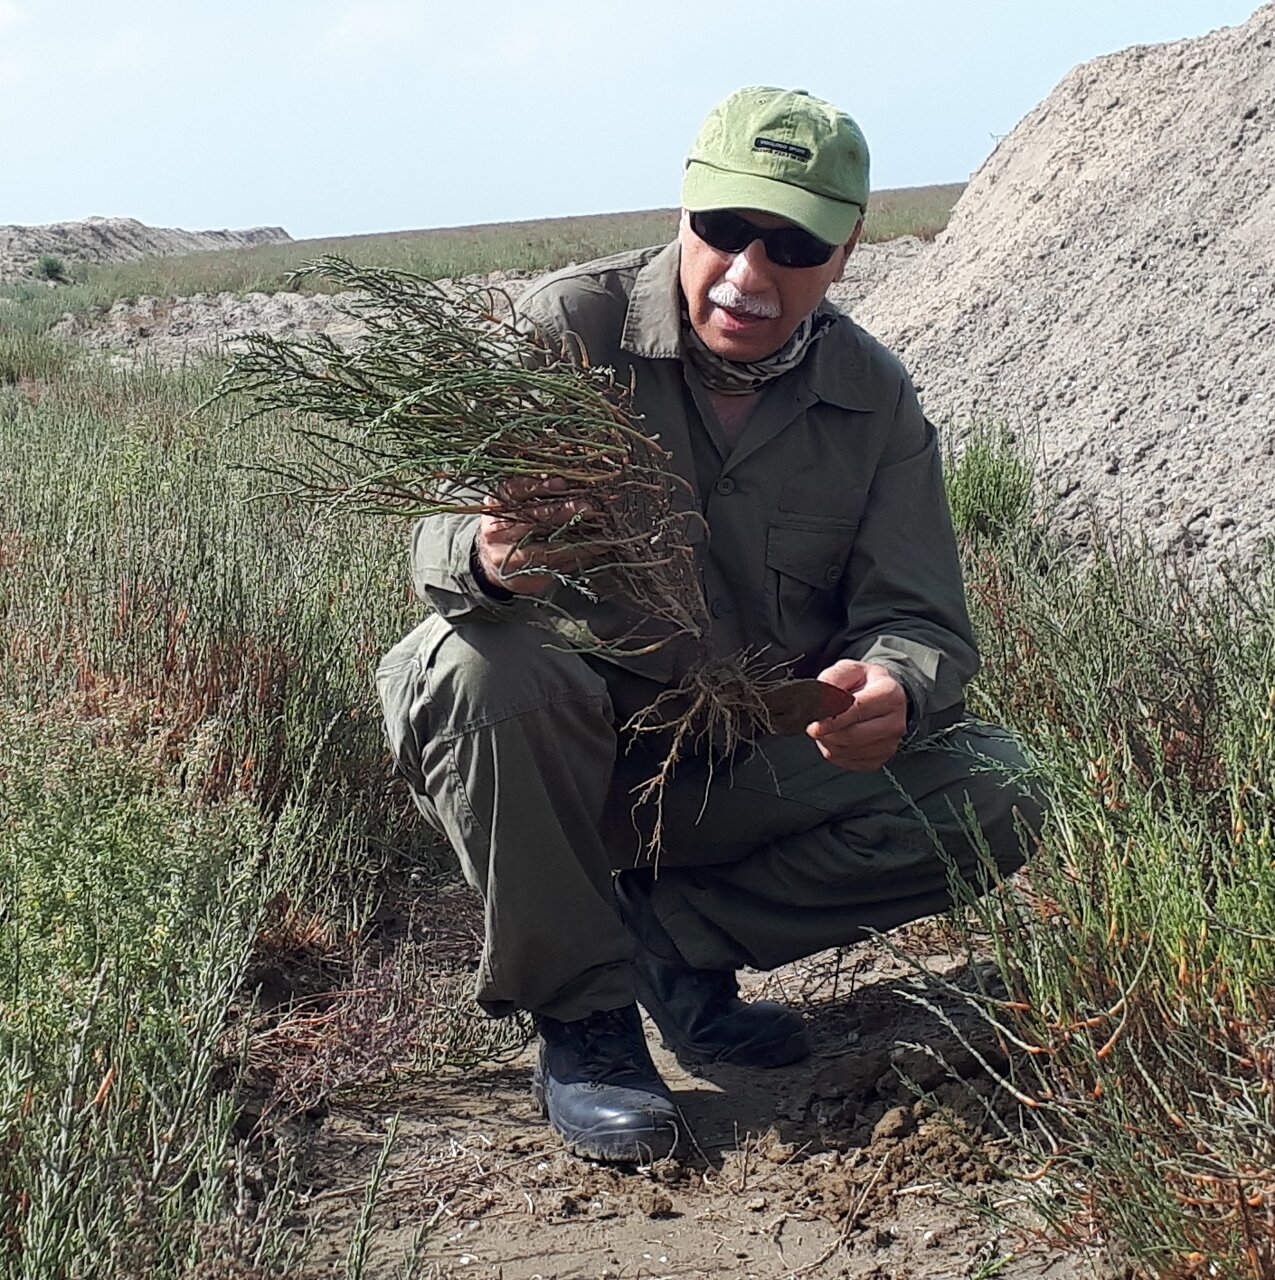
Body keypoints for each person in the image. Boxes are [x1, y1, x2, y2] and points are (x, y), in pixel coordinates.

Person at [377, 86, 1045, 1164]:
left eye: (794, 244)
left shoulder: (873, 398)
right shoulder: (567, 330)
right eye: (726, 228)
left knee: (997, 787)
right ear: (684, 212)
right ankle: (584, 1019)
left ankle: (669, 941)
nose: (748, 272)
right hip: (566, 770)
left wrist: (894, 684)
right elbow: (436, 528)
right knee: (472, 666)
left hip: (733, 768)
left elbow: (918, 617)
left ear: (846, 250)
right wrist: (489, 556)